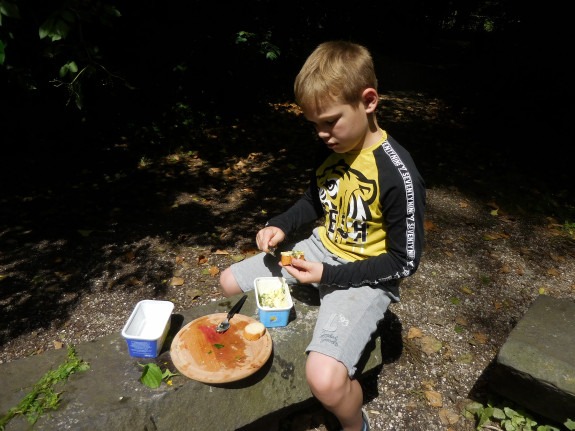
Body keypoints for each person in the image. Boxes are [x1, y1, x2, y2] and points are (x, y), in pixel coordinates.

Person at [219, 41, 426, 431]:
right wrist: (280, 223)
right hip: (319, 248)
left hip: (366, 274)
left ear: (368, 101)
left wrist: (328, 277)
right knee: (228, 281)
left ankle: (354, 425)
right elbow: (315, 199)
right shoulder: (333, 148)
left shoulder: (398, 175)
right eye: (314, 124)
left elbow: (405, 261)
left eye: (330, 121)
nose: (322, 134)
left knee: (325, 380)